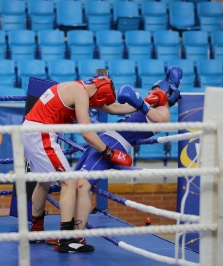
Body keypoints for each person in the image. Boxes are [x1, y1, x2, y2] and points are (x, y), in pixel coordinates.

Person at [51, 66, 183, 251]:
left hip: (113, 145)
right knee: (74, 183)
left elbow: (159, 121)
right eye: (151, 89)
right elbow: (114, 107)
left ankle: (77, 237)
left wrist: (141, 103)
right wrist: (92, 98)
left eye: (155, 90)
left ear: (167, 95)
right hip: (103, 140)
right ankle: (66, 235)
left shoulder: (163, 112)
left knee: (83, 185)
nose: (151, 92)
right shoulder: (144, 105)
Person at [22, 76, 138, 253]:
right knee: (69, 182)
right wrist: (108, 152)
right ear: (100, 95)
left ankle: (36, 230)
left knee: (43, 182)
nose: (96, 106)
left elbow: (114, 108)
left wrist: (143, 105)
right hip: (41, 133)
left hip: (32, 129)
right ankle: (67, 239)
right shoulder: (80, 93)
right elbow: (87, 134)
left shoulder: (82, 89)